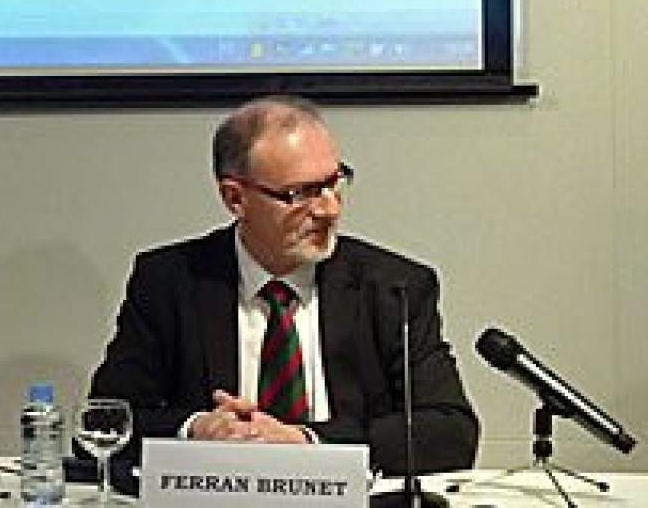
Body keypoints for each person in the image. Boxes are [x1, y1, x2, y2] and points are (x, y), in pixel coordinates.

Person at [89, 95, 478, 475]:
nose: (329, 209)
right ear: (235, 197)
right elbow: (102, 425)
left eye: (333, 182)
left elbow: (451, 432)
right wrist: (196, 429)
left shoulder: (395, 287)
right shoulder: (171, 282)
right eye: (300, 194)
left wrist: (308, 442)